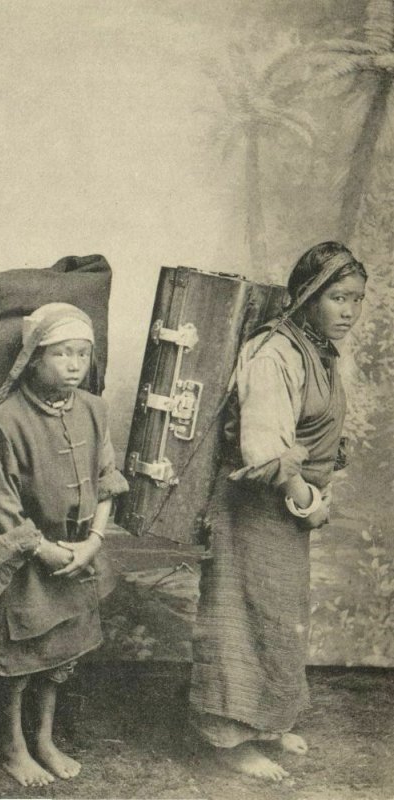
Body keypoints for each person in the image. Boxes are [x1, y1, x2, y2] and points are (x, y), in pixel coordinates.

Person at [0, 302, 128, 788]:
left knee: (59, 654)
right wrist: (48, 551)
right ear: (35, 359)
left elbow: (107, 482)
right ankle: (13, 745)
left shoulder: (96, 411)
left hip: (78, 554)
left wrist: (93, 543)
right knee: (19, 661)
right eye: (62, 354)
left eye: (83, 354)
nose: (75, 365)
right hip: (27, 559)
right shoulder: (8, 423)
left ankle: (44, 739)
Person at [189, 242, 367, 781]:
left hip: (285, 514)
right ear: (307, 297)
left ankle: (264, 723)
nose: (349, 311)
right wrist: (309, 501)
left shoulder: (317, 349)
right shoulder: (274, 353)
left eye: (357, 300)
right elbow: (264, 452)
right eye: (338, 298)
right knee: (239, 615)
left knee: (279, 616)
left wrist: (315, 497)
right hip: (251, 508)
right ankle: (229, 738)